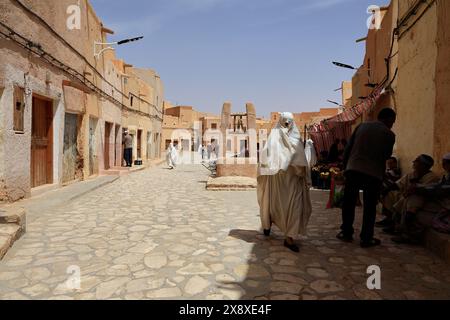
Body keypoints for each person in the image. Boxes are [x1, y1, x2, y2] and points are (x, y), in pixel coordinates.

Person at [337, 108, 397, 248]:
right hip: (373, 173)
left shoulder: (362, 126)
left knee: (349, 203)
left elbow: (348, 149)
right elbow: (386, 155)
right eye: (392, 122)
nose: (392, 124)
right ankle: (366, 238)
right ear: (387, 119)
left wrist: (345, 168)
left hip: (354, 169)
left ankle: (346, 232)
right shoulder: (389, 134)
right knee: (370, 206)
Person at [257, 112, 312, 253]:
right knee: (273, 204)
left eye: (289, 122)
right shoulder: (274, 137)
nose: (287, 125)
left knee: (294, 207)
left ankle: (289, 237)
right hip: (278, 181)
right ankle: (268, 224)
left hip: (293, 181)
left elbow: (299, 160)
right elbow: (266, 157)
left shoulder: (294, 137)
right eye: (285, 122)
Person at [376, 157, 402, 228]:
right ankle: (388, 218)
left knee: (386, 195)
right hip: (388, 190)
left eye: (391, 163)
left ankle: (389, 219)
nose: (389, 164)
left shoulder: (395, 171)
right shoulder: (389, 171)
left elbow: (390, 181)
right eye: (388, 163)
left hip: (393, 190)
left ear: (395, 163)